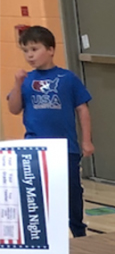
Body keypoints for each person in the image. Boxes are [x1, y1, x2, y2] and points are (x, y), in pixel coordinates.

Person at [6, 26, 93, 237]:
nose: (30, 55)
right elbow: (14, 109)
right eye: (26, 51)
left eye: (34, 49)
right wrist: (17, 85)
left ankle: (78, 230)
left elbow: (82, 109)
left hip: (65, 148)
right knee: (38, 192)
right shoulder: (26, 80)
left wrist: (87, 140)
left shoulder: (67, 78)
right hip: (35, 149)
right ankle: (44, 233)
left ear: (51, 50)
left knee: (72, 191)